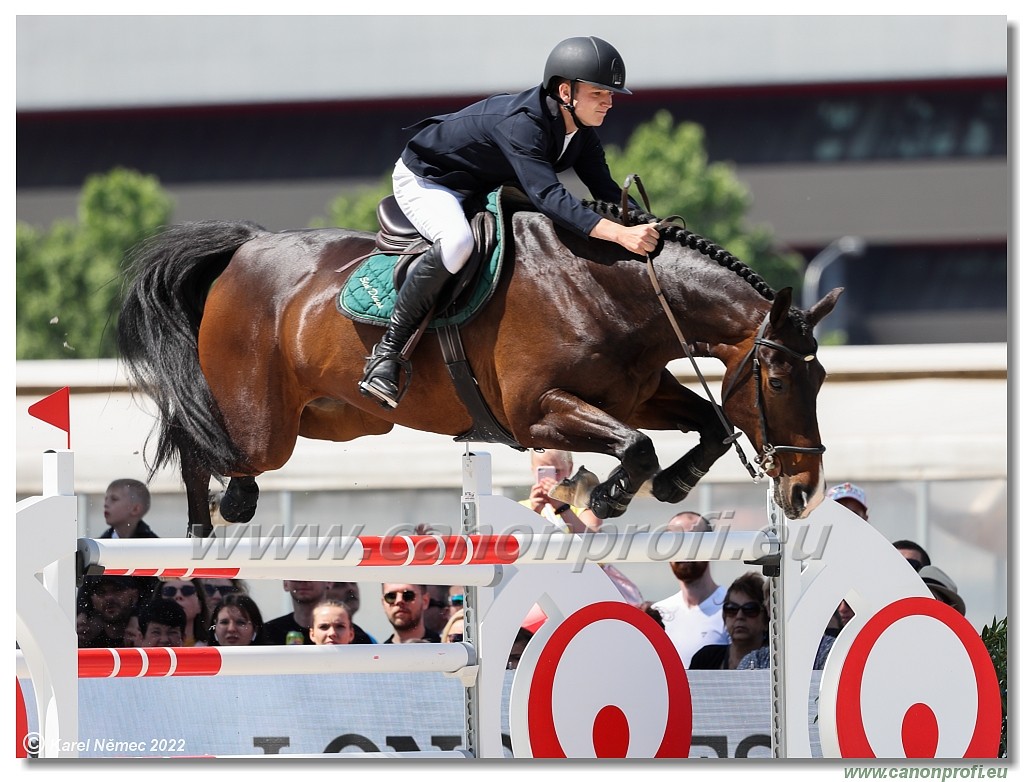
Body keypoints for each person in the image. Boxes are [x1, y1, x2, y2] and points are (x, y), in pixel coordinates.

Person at [358, 36, 660, 408]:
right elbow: (548, 196)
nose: (610, 102)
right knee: (457, 243)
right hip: (429, 180)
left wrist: (657, 229)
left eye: (612, 94)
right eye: (599, 93)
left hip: (477, 185)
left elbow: (606, 194)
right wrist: (619, 235)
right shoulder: (523, 124)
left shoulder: (581, 134)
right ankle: (387, 355)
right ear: (566, 91)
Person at [522, 449, 644, 607]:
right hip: (544, 592)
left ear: (570, 468)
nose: (553, 478)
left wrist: (563, 507)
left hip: (586, 589)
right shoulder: (524, 507)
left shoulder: (583, 504)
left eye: (557, 471)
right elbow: (519, 548)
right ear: (533, 470)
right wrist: (535, 511)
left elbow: (590, 539)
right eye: (543, 471)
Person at [649, 511, 728, 668]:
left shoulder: (736, 610)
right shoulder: (658, 613)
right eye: (675, 541)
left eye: (693, 541)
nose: (684, 550)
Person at [689, 572, 769, 670]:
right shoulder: (704, 659)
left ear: (766, 619)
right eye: (732, 609)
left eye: (750, 609)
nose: (739, 616)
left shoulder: (776, 662)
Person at [75, 575, 144, 648]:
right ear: (92, 600)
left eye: (117, 590)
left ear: (135, 595)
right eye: (101, 592)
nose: (109, 598)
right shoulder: (84, 645)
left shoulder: (151, 638)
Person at [262, 580, 330, 645]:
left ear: (329, 582)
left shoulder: (337, 632)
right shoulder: (267, 633)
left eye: (311, 575)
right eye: (295, 576)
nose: (303, 581)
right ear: (285, 583)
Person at [157, 577, 209, 647]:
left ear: (199, 605)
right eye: (169, 591)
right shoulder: (143, 644)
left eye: (187, 590)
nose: (178, 596)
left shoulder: (214, 647)